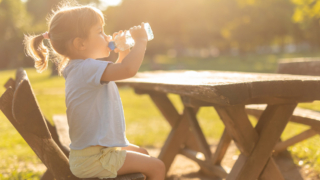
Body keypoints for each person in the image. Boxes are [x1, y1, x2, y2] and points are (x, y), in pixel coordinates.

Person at [23, 1, 165, 180]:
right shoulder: (86, 68)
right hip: (96, 159)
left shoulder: (79, 67)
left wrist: (122, 54)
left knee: (143, 153)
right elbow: (128, 70)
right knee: (157, 167)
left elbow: (119, 71)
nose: (107, 37)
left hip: (93, 154)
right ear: (80, 44)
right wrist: (141, 41)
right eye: (100, 32)